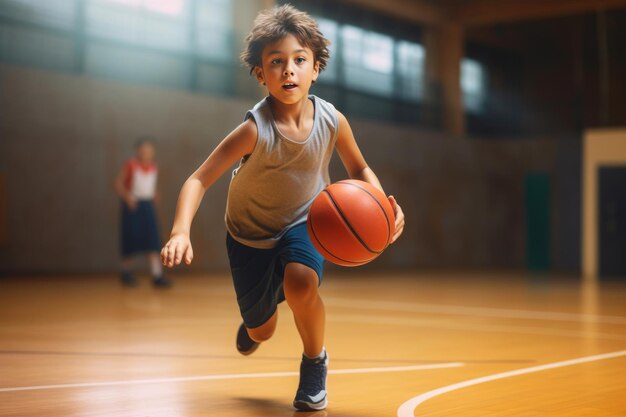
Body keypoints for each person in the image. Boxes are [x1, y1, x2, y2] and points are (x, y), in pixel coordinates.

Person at [161, 4, 405, 411]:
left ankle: (314, 364)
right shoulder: (254, 130)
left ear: (315, 68)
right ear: (261, 74)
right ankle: (255, 325)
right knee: (262, 330)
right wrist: (180, 230)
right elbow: (198, 179)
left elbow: (359, 166)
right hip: (249, 235)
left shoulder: (332, 120)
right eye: (276, 62)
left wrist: (381, 204)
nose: (288, 70)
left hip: (306, 223)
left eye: (299, 60)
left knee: (300, 285)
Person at [114, 138, 171, 288]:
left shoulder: (153, 167)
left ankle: (157, 275)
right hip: (133, 206)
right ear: (138, 151)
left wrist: (155, 195)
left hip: (147, 206)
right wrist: (128, 198)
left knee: (153, 239)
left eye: (149, 150)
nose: (147, 153)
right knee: (130, 239)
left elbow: (151, 186)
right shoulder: (131, 165)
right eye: (144, 150)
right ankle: (125, 272)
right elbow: (118, 183)